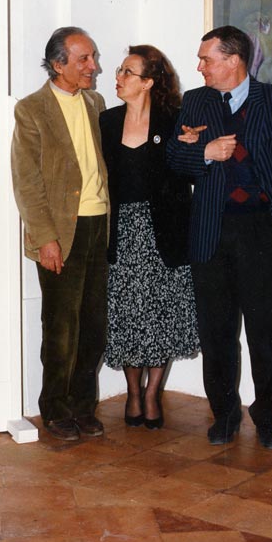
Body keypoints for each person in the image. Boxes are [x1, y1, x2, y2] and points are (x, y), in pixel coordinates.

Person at [167, 25, 272, 447]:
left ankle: (268, 419)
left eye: (206, 59)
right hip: (211, 231)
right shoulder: (196, 101)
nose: (200, 67)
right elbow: (174, 157)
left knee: (266, 334)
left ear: (233, 60)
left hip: (264, 231)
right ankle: (224, 414)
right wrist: (204, 153)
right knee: (217, 333)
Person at [10, 26, 110, 441]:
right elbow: (27, 181)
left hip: (100, 225)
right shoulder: (31, 109)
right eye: (84, 59)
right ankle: (54, 409)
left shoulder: (96, 103)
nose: (93, 67)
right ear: (58, 64)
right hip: (61, 233)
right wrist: (44, 238)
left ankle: (84, 407)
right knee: (61, 327)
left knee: (94, 325)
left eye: (93, 57)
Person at [99, 46, 199, 429]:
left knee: (161, 313)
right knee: (127, 313)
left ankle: (153, 392)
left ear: (148, 82)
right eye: (120, 70)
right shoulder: (107, 121)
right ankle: (133, 392)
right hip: (122, 232)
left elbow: (188, 173)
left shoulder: (174, 121)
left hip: (165, 234)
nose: (118, 77)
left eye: (128, 72)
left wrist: (191, 148)